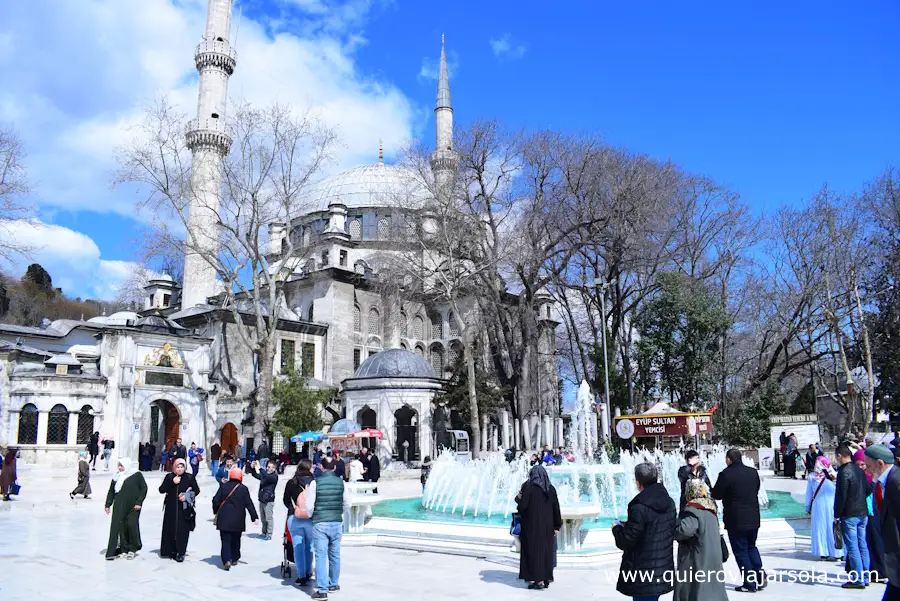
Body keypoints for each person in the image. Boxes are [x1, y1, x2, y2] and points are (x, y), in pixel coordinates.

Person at [612, 462, 676, 601]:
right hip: (661, 565)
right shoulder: (669, 502)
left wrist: (616, 528)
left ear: (638, 482)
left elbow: (627, 541)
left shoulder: (639, 507)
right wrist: (629, 525)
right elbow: (656, 527)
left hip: (642, 570)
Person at [712, 448, 766, 592]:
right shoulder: (752, 472)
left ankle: (749, 583)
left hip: (736, 520)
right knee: (751, 546)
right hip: (753, 517)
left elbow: (716, 494)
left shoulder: (726, 474)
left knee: (741, 551)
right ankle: (760, 575)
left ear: (729, 459)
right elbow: (756, 489)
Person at [674, 479, 728, 601]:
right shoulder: (710, 507)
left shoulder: (692, 510)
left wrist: (674, 526)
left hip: (697, 556)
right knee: (713, 587)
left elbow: (685, 530)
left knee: (696, 589)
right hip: (712, 554)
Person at [306, 456, 350, 600]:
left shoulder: (315, 483)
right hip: (336, 522)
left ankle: (322, 589)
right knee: (335, 554)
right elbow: (347, 503)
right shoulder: (341, 483)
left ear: (321, 467)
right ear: (335, 468)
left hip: (320, 522)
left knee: (320, 556)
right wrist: (339, 512)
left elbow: (309, 506)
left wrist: (313, 516)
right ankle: (333, 584)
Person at [516, 465, 562, 590]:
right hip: (547, 527)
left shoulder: (528, 487)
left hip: (531, 526)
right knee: (545, 552)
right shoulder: (550, 489)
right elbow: (556, 509)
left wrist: (519, 499)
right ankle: (546, 577)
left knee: (533, 552)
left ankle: (537, 580)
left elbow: (522, 507)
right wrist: (557, 525)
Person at [864, 444, 900, 600]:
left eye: (869, 466)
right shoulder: (883, 483)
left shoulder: (896, 482)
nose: (867, 470)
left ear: (880, 463)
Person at [833, 443, 871, 589]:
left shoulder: (843, 472)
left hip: (850, 514)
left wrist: (837, 514)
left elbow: (841, 495)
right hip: (862, 513)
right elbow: (868, 489)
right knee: (863, 544)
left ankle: (858, 578)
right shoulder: (858, 469)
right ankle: (866, 575)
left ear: (839, 456)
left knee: (853, 547)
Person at [212, 467, 258, 570]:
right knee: (236, 539)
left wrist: (216, 511)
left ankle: (227, 560)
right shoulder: (243, 488)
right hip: (238, 520)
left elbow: (215, 500)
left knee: (225, 540)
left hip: (224, 519)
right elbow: (249, 504)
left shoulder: (224, 487)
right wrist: (254, 516)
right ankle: (235, 557)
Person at [104, 458, 147, 560]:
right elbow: (111, 492)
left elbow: (144, 488)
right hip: (119, 505)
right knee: (120, 526)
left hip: (133, 506)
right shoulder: (116, 477)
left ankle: (133, 548)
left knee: (131, 525)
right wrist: (108, 504)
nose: (120, 468)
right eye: (119, 466)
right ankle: (123, 549)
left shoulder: (136, 475)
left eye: (122, 466)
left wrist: (139, 502)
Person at [159, 458, 200, 562]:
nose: (180, 469)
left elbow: (196, 490)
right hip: (171, 507)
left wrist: (187, 496)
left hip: (184, 508)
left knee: (182, 530)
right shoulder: (169, 477)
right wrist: (172, 482)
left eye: (182, 467)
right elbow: (161, 489)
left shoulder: (189, 477)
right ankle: (169, 550)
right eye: (178, 467)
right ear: (174, 467)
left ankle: (181, 552)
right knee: (170, 528)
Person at [855, 448, 886, 582]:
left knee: (876, 541)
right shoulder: (857, 477)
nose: (862, 467)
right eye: (859, 465)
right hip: (863, 513)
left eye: (864, 464)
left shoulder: (874, 477)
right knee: (867, 543)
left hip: (874, 513)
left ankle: (880, 570)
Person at [804, 455, 842, 560]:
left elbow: (809, 493)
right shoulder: (835, 475)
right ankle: (838, 552)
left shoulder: (812, 476)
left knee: (821, 528)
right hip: (832, 505)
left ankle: (823, 552)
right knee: (834, 528)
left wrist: (807, 507)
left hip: (818, 506)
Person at [285, 459, 316, 586]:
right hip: (310, 518)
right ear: (309, 468)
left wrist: (295, 507)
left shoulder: (291, 482)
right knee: (309, 546)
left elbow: (285, 501)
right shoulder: (314, 482)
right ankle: (309, 572)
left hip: (294, 517)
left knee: (298, 547)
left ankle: (301, 575)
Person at [249, 459, 278, 540]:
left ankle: (269, 533)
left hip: (269, 499)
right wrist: (252, 468)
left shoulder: (274, 476)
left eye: (269, 467)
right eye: (267, 467)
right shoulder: (266, 475)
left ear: (274, 468)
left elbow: (266, 476)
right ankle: (264, 532)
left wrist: (259, 468)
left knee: (269, 518)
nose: (268, 468)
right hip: (262, 498)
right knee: (263, 518)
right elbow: (257, 475)